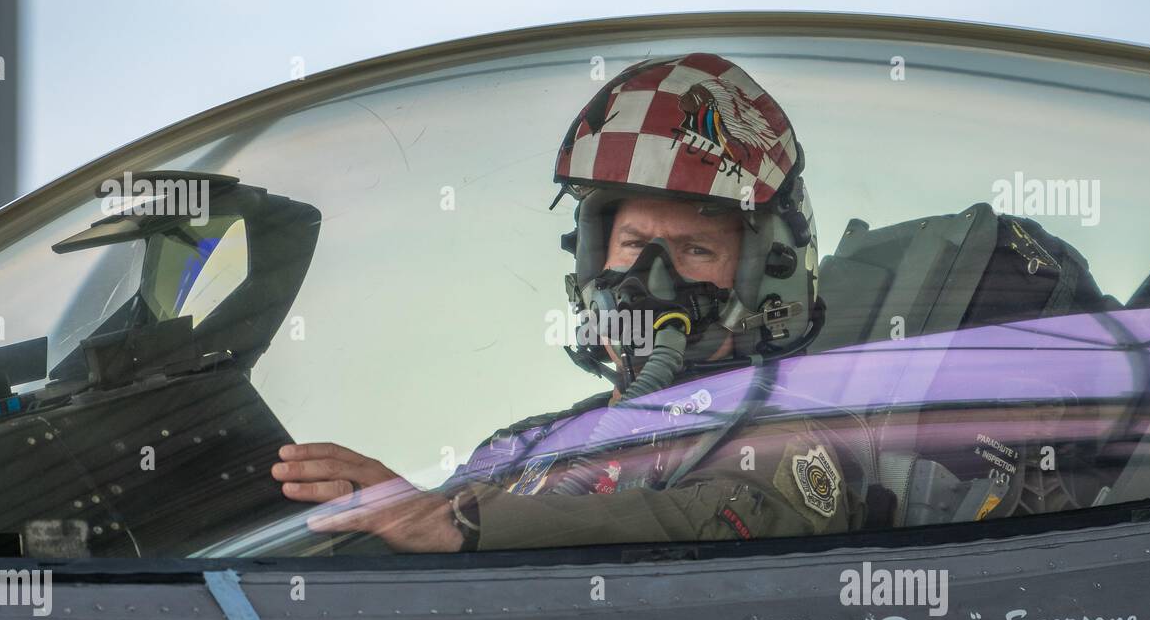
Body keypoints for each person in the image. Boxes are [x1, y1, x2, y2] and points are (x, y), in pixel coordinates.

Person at [271, 53, 869, 552]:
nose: (647, 280)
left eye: (695, 249)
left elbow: (703, 535)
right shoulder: (527, 446)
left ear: (764, 280)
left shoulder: (782, 438)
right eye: (632, 245)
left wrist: (455, 525)